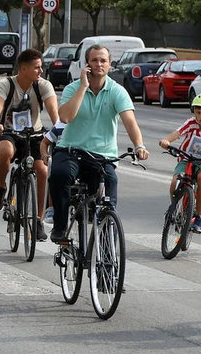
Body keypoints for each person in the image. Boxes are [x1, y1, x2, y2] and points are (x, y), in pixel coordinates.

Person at [48, 46, 150, 243]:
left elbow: (130, 123)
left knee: (109, 184)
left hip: (102, 156)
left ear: (110, 64)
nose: (99, 64)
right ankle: (60, 226)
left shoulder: (117, 91)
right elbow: (65, 117)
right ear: (87, 64)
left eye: (103, 60)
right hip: (71, 150)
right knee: (60, 175)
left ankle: (106, 245)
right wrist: (83, 87)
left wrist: (139, 145)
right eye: (94, 60)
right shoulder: (73, 88)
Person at [0, 48, 59, 238]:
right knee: (5, 151)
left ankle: (38, 220)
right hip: (8, 132)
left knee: (42, 170)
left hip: (35, 134)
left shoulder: (43, 85)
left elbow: (54, 112)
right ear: (24, 69)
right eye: (37, 67)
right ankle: (1, 187)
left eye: (41, 67)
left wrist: (60, 130)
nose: (41, 71)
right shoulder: (6, 84)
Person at [159, 92, 201, 233]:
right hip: (186, 157)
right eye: (198, 112)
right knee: (175, 183)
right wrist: (166, 140)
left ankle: (199, 218)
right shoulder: (191, 122)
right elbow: (178, 133)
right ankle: (174, 207)